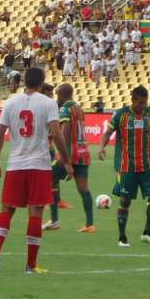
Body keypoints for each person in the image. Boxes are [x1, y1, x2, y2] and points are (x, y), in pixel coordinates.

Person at [0, 67, 72, 275]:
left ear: (24, 82)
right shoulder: (48, 103)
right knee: (35, 212)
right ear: (41, 82)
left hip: (16, 165)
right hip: (39, 165)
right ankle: (30, 266)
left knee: (7, 210)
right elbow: (56, 134)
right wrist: (67, 161)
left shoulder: (10, 102)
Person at [98, 86, 150, 248]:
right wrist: (101, 147)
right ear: (133, 99)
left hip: (148, 165)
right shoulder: (121, 114)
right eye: (141, 103)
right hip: (128, 166)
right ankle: (122, 237)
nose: (143, 106)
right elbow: (108, 132)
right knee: (125, 200)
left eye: (145, 102)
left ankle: (147, 233)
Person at [46, 84, 95, 234]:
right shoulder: (78, 108)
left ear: (62, 94)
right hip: (83, 152)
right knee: (83, 189)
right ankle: (90, 224)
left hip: (70, 153)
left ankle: (54, 221)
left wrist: (63, 157)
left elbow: (63, 134)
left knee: (50, 178)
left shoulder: (65, 109)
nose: (57, 97)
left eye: (57, 94)